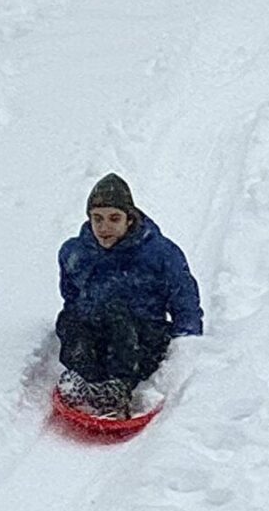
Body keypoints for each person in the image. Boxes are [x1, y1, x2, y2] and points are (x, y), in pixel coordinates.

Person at [57, 174, 203, 419]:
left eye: (114, 219)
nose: (104, 228)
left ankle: (119, 387)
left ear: (129, 220)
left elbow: (185, 302)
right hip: (99, 333)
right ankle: (85, 380)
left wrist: (185, 347)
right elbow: (71, 296)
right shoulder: (75, 252)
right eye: (97, 219)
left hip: (142, 341)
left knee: (117, 313)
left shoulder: (160, 254)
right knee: (71, 319)